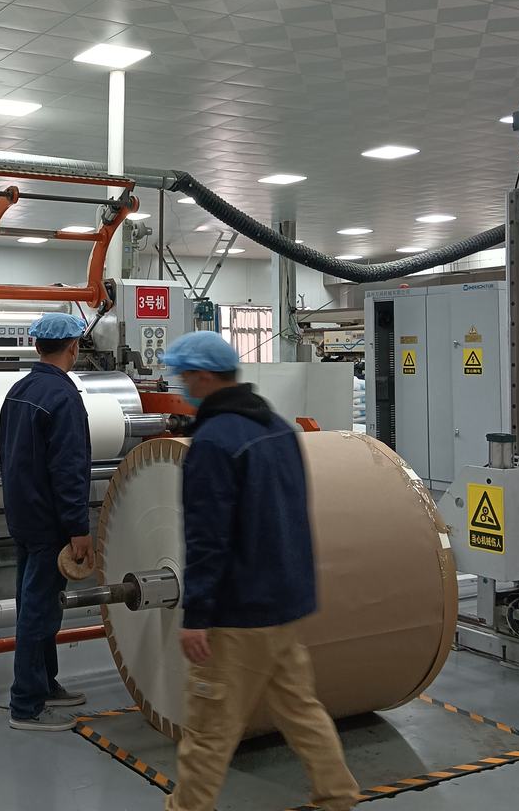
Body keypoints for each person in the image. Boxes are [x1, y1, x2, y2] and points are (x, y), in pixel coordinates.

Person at [163, 331, 360, 811]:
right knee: (300, 710)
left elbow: (208, 540)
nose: (181, 385)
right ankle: (338, 796)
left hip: (238, 614)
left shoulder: (213, 443)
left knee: (209, 731)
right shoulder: (278, 427)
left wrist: (197, 614)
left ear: (204, 377)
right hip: (283, 605)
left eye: (184, 376)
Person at [0, 312, 94, 732]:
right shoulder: (64, 397)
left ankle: (45, 683)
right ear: (73, 347)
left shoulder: (19, 390)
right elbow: (68, 470)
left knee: (35, 603)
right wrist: (78, 528)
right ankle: (26, 705)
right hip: (50, 522)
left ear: (37, 346)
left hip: (22, 515)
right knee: (39, 610)